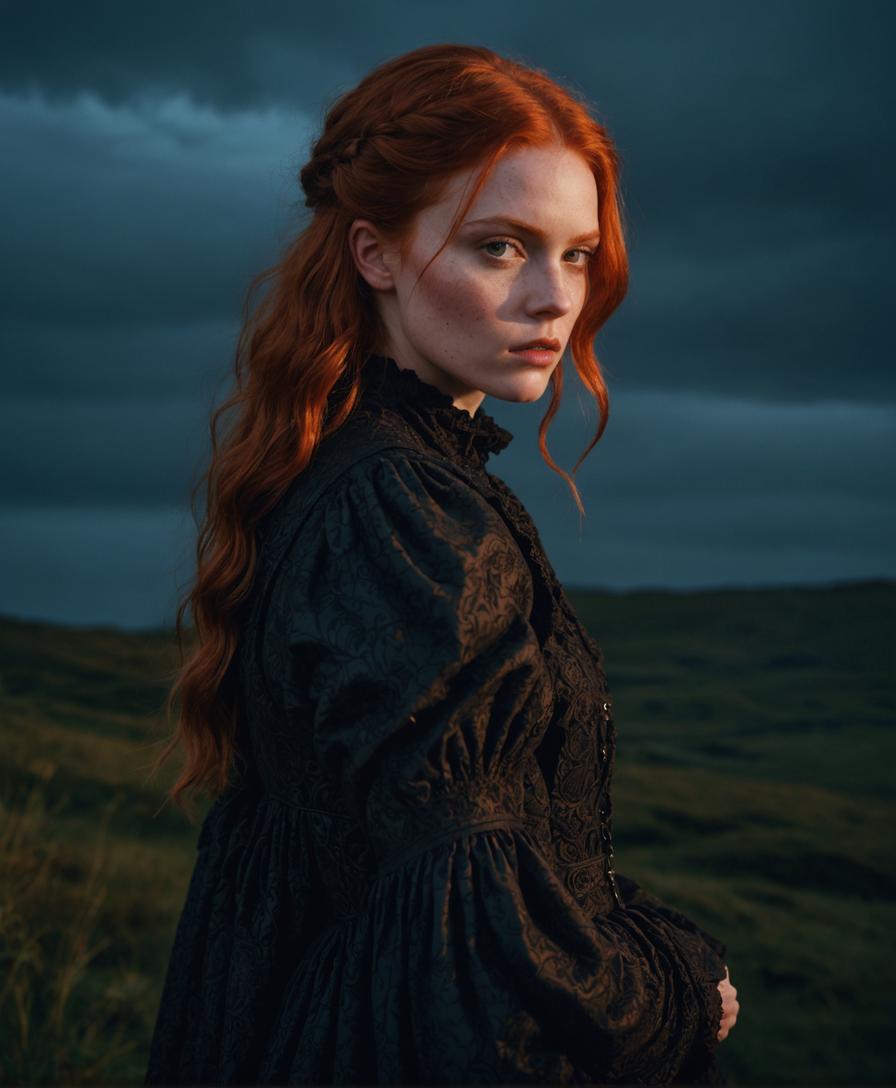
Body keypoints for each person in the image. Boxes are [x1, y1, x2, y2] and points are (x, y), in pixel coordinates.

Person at [144, 42, 739, 1085]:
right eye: (500, 247)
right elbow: (473, 937)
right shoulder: (400, 512)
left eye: (576, 252)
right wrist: (680, 988)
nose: (553, 299)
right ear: (375, 254)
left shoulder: (362, 477)